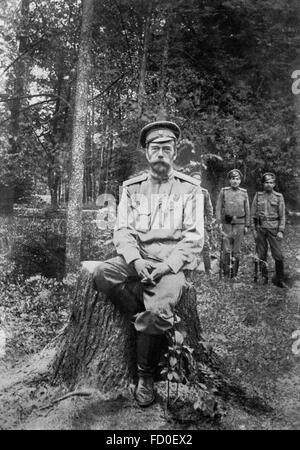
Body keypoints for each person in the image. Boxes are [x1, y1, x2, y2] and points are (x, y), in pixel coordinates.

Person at [93, 121, 204, 407]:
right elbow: (123, 231)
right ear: (146, 152)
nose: (160, 153)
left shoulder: (190, 189)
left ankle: (145, 376)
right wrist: (136, 260)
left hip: (171, 264)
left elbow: (194, 238)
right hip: (139, 258)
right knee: (103, 274)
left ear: (175, 151)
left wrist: (167, 266)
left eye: (166, 148)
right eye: (155, 148)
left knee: (157, 313)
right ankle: (139, 317)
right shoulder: (132, 188)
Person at [250, 172, 287, 288]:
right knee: (261, 254)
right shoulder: (258, 196)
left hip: (274, 229)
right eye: (266, 182)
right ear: (263, 184)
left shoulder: (279, 197)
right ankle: (264, 277)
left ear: (274, 184)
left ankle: (279, 279)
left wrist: (281, 230)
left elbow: (282, 216)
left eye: (271, 182)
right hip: (261, 229)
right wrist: (254, 230)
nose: (269, 184)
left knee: (278, 255)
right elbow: (252, 215)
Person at [215, 169, 250, 278]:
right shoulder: (224, 191)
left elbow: (247, 209)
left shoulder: (244, 193)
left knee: (237, 250)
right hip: (227, 224)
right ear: (229, 180)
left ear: (240, 181)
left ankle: (234, 274)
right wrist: (219, 222)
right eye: (233, 178)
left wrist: (247, 225)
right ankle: (226, 273)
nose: (235, 181)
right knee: (226, 249)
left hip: (240, 224)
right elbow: (218, 207)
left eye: (237, 179)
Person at [191, 172, 213, 274]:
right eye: (193, 179)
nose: (196, 181)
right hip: (189, 224)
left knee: (205, 246)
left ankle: (208, 269)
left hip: (201, 224)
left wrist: (209, 223)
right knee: (189, 246)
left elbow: (209, 210)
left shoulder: (204, 193)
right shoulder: (185, 192)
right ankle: (190, 269)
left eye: (198, 179)